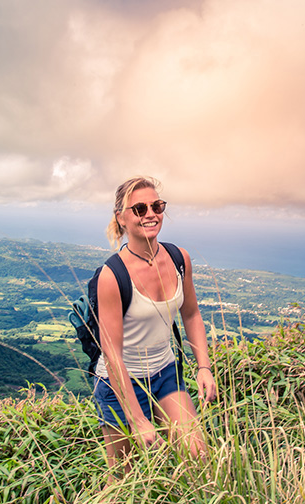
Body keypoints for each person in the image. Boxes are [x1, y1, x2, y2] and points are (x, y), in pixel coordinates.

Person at [93, 176, 217, 477]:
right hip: (120, 383)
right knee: (126, 478)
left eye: (156, 205)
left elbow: (191, 314)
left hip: (164, 372)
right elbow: (112, 355)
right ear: (121, 218)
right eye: (138, 209)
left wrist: (204, 366)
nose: (150, 214)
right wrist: (136, 417)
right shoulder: (112, 275)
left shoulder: (178, 258)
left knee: (198, 456)